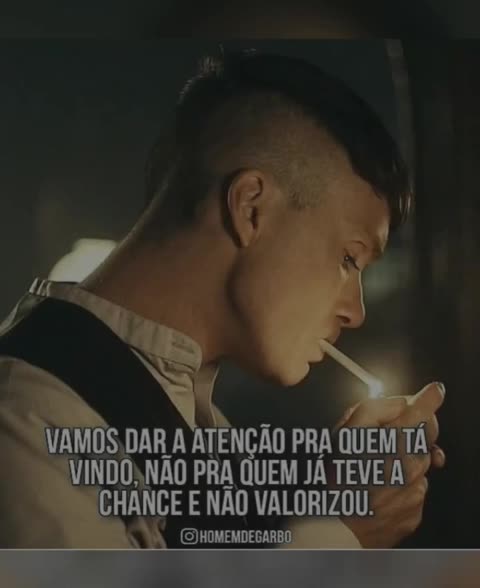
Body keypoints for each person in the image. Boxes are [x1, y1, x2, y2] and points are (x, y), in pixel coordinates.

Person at [0, 49, 445, 548]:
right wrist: (338, 534)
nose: (355, 312)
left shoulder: (204, 431)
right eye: (348, 258)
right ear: (251, 208)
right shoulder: (29, 424)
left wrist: (321, 508)